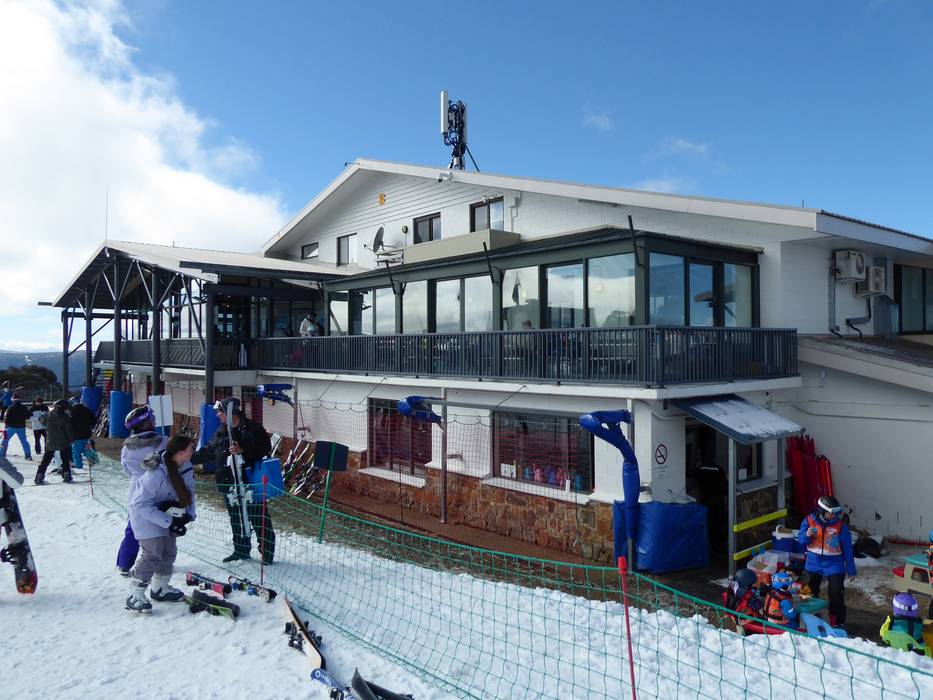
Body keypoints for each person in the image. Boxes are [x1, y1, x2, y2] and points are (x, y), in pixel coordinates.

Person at [192, 397, 275, 564]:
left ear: (231, 412)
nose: (217, 415)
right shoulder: (222, 430)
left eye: (220, 411)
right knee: (236, 517)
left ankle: (267, 552)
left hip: (249, 481)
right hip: (228, 482)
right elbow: (208, 451)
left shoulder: (253, 429)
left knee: (257, 515)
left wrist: (243, 450)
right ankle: (241, 550)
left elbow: (265, 449)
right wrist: (185, 458)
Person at [126, 434, 197, 613]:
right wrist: (168, 521)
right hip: (146, 516)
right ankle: (135, 594)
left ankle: (160, 588)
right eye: (190, 449)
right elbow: (138, 503)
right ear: (180, 452)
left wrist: (188, 515)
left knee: (168, 552)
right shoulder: (156, 472)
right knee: (153, 553)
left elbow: (190, 491)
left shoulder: (186, 467)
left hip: (168, 512)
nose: (193, 451)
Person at [116, 405, 168, 576]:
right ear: (146, 423)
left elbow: (127, 469)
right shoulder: (163, 441)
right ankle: (161, 563)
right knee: (162, 526)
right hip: (161, 490)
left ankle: (124, 563)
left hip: (137, 490)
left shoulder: (127, 448)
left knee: (134, 527)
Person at [797, 495, 857, 628]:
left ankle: (838, 622)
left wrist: (851, 570)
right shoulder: (809, 521)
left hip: (834, 564)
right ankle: (808, 617)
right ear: (823, 511)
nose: (834, 515)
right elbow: (801, 541)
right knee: (807, 592)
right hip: (813, 563)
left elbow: (848, 549)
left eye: (836, 512)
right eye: (832, 512)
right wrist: (806, 536)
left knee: (836, 594)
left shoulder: (840, 526)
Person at [34, 399, 73, 484]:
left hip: (50, 440)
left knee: (45, 461)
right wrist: (71, 439)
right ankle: (66, 474)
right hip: (63, 441)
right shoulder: (65, 417)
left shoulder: (48, 414)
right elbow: (69, 430)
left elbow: (41, 420)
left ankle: (39, 476)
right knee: (65, 460)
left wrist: (48, 426)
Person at [0, 394, 32, 460]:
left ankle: (2, 453)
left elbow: (7, 417)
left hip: (11, 427)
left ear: (12, 399)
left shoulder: (10, 407)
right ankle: (28, 455)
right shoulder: (24, 407)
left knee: (5, 440)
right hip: (21, 427)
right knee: (24, 441)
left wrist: (6, 425)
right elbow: (27, 416)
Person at [68, 398, 96, 469]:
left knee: (76, 452)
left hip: (76, 435)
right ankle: (93, 464)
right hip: (87, 434)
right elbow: (93, 420)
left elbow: (69, 424)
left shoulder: (72, 411)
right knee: (87, 450)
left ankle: (78, 466)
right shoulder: (87, 410)